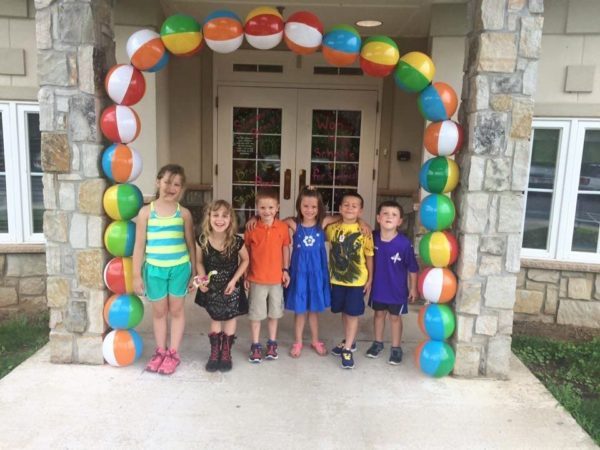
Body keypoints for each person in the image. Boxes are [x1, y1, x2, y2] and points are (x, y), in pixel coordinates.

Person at [133, 164, 196, 375]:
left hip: (179, 269)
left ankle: (173, 353)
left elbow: (190, 244)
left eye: (176, 184)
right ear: (158, 181)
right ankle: (160, 351)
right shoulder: (145, 213)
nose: (171, 187)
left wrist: (194, 271)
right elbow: (139, 246)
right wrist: (136, 276)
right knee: (159, 312)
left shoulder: (184, 214)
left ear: (182, 188)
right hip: (154, 270)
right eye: (167, 182)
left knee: (176, 310)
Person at [195, 200, 249, 372]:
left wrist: (234, 281)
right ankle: (214, 353)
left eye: (224, 216)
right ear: (209, 217)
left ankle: (226, 352)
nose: (220, 219)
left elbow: (246, 260)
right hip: (213, 287)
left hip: (231, 287)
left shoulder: (236, 241)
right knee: (216, 318)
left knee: (231, 317)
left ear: (230, 220)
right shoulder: (202, 240)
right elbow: (198, 261)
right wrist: (203, 279)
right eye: (215, 215)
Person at [284, 186, 337, 358]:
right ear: (299, 206)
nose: (309, 210)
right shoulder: (293, 224)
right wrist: (253, 218)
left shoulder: (323, 223)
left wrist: (363, 222)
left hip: (316, 273)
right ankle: (298, 342)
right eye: (305, 206)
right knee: (300, 311)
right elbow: (271, 220)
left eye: (314, 207)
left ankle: (315, 340)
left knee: (314, 310)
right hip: (299, 273)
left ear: (319, 208)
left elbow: (347, 218)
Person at [365, 201, 419, 365]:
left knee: (395, 318)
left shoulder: (404, 243)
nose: (389, 217)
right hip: (378, 288)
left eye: (394, 215)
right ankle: (377, 343)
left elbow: (412, 268)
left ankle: (396, 348)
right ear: (378, 218)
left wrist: (413, 288)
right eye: (385, 213)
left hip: (397, 289)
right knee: (379, 314)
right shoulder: (371, 238)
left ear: (399, 221)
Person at [327, 192, 374, 369]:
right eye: (346, 205)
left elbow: (369, 256)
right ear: (339, 208)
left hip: (356, 281)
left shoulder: (364, 231)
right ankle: (349, 340)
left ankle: (347, 349)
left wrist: (370, 278)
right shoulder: (331, 228)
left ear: (360, 211)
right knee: (344, 311)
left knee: (353, 313)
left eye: (354, 206)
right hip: (337, 279)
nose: (349, 208)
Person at [244, 188, 291, 363]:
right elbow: (247, 251)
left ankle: (272, 343)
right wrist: (246, 274)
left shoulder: (283, 227)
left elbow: (285, 248)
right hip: (257, 278)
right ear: (257, 208)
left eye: (271, 207)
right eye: (262, 207)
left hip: (276, 279)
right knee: (256, 315)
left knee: (274, 313)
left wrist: (285, 270)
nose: (267, 211)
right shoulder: (252, 227)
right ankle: (255, 345)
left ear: (277, 207)